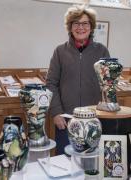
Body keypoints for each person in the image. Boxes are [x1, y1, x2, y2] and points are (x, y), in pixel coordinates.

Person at [46, 5, 110, 155]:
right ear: (70, 27)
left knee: (90, 163)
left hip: (93, 120)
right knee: (65, 163)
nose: (81, 27)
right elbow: (51, 83)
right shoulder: (60, 52)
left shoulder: (102, 51)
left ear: (91, 26)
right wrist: (56, 112)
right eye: (76, 23)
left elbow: (108, 84)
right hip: (66, 120)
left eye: (85, 23)